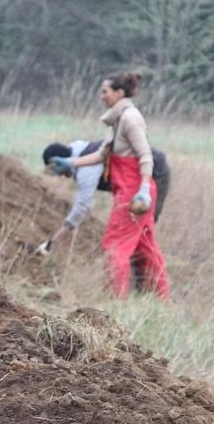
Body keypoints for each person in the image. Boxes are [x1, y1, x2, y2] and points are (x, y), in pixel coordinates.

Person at [49, 71, 170, 299]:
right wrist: (71, 161)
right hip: (130, 189)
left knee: (114, 246)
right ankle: (161, 300)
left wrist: (143, 189)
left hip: (134, 192)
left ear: (119, 93)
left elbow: (145, 155)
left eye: (105, 91)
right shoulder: (118, 120)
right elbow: (101, 155)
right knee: (146, 248)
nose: (101, 96)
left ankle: (117, 302)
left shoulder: (130, 119)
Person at [36, 140, 104, 258]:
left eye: (57, 169)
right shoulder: (77, 148)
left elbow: (82, 206)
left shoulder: (85, 170)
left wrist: (54, 242)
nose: (60, 175)